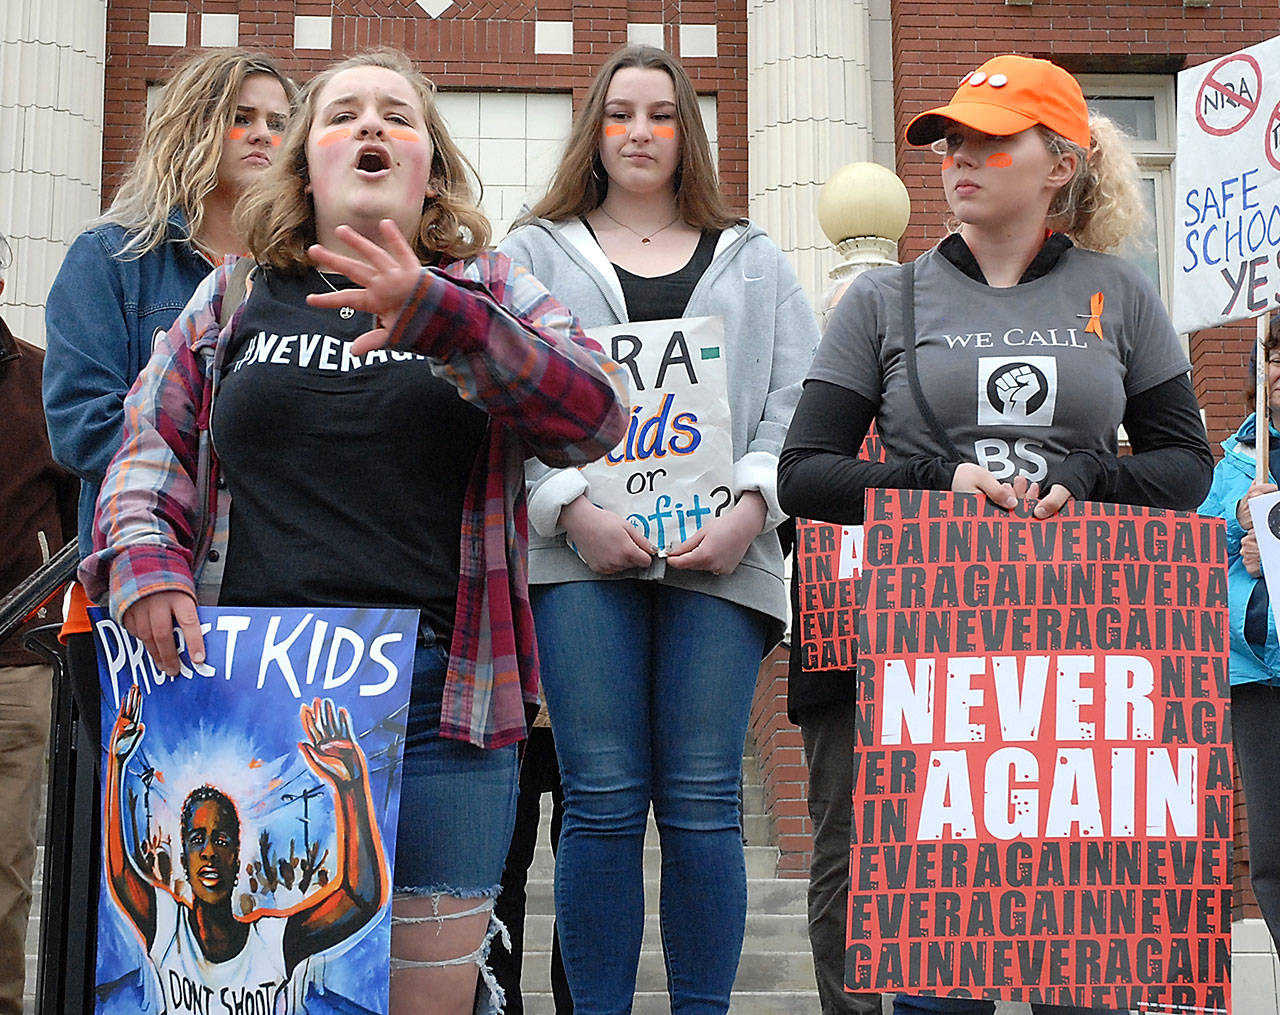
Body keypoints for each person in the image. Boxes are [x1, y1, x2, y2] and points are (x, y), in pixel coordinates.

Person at [80, 48, 628, 1015]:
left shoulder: (489, 286)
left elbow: (595, 414)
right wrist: (150, 562)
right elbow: (143, 452)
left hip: (440, 697)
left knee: (426, 998)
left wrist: (448, 319)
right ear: (303, 164)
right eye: (343, 114)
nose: (371, 127)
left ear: (432, 166)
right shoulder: (233, 296)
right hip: (250, 700)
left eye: (398, 116)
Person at [778, 54, 1213, 1015]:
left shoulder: (1122, 292)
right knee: (942, 945)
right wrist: (939, 479)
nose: (959, 158)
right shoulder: (884, 300)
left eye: (990, 139)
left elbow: (1188, 468)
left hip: (1083, 637)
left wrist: (1093, 473)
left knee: (1079, 926)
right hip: (930, 636)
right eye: (950, 140)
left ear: (1059, 163)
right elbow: (803, 473)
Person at [498, 44, 820, 1015]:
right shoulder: (529, 253)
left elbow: (798, 400)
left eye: (662, 113)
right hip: (577, 560)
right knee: (598, 800)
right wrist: (568, 508)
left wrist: (750, 508)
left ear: (689, 133)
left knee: (702, 802)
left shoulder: (755, 260)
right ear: (592, 131)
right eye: (620, 113)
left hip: (723, 563)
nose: (640, 131)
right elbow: (499, 396)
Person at [43, 47, 295, 740]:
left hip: (285, 585)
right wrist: (227, 463)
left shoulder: (305, 271)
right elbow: (80, 423)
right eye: (240, 118)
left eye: (279, 121)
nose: (264, 135)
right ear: (192, 126)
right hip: (151, 579)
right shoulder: (109, 259)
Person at [104, 686, 387, 1013]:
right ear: (183, 857)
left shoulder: (270, 943)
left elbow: (359, 899)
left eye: (221, 840)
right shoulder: (167, 928)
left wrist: (351, 787)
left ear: (237, 859)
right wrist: (117, 764)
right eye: (198, 840)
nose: (209, 852)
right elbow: (120, 871)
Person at [0, 230, 78, 1015]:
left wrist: (43, 610)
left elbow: (75, 510)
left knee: (1, 875)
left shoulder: (39, 381)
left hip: (12, 671)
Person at [1197, 316, 1280, 954]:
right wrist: (1238, 535)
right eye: (1273, 355)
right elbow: (1199, 557)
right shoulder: (1235, 463)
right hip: (1258, 679)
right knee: (1273, 860)